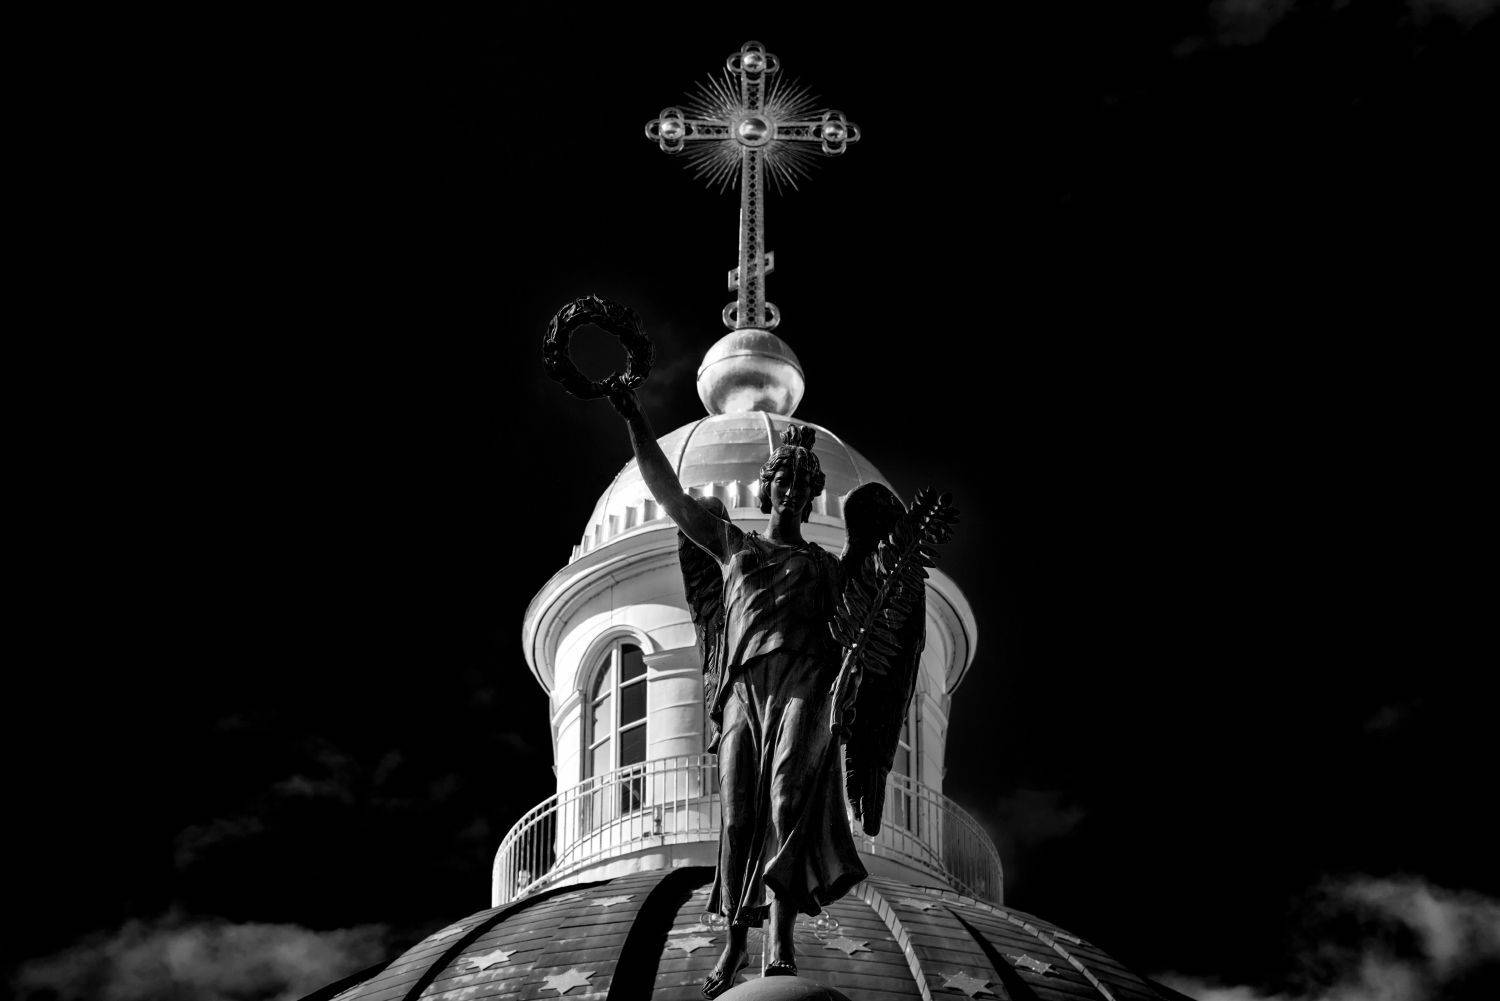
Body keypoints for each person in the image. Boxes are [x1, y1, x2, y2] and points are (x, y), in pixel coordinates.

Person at [606, 382, 866, 996]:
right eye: (785, 480)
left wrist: (854, 672)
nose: (793, 491)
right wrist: (635, 416)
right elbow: (670, 494)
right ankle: (734, 940)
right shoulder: (731, 546)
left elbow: (846, 643)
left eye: (803, 485)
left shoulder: (826, 568)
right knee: (738, 816)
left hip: (803, 682)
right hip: (744, 690)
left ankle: (780, 937)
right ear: (767, 487)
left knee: (787, 801)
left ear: (810, 497)